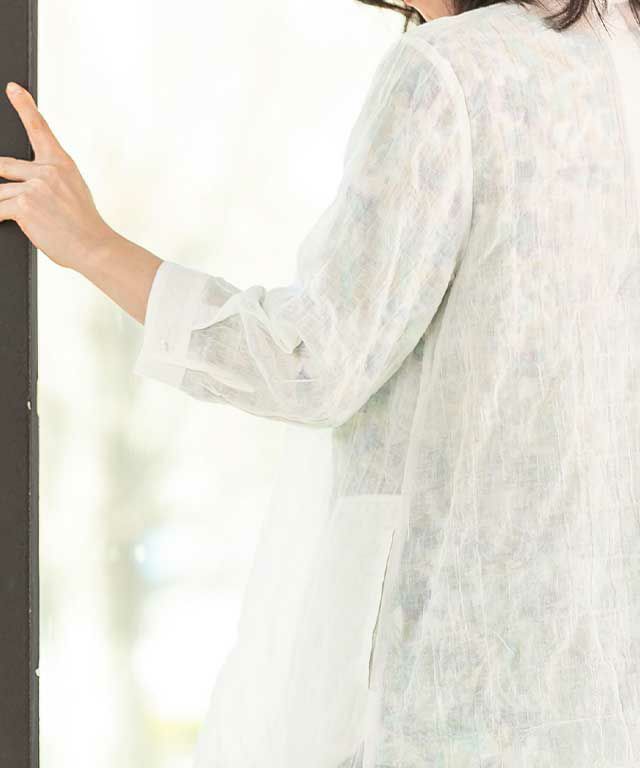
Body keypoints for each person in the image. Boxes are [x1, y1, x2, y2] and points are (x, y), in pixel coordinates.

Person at [2, 0, 640, 763]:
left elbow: (314, 363)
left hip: (457, 689)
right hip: (597, 692)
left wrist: (93, 245)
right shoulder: (618, 55)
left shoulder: (450, 73)